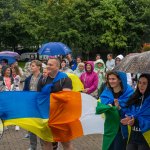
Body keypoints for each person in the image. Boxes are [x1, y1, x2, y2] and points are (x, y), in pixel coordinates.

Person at [37, 57, 74, 150]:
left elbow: (66, 97)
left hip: (61, 115)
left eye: (50, 65)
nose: (48, 66)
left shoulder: (65, 79)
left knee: (66, 142)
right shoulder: (43, 79)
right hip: (46, 115)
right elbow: (38, 97)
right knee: (47, 141)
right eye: (47, 64)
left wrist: (50, 98)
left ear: (57, 66)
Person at [100, 71, 134, 150]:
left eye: (113, 79)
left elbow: (132, 111)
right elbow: (101, 105)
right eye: (109, 79)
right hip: (110, 127)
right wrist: (106, 107)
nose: (110, 81)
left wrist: (119, 108)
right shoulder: (107, 91)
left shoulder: (129, 92)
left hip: (121, 129)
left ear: (120, 80)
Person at [121, 74, 150, 150]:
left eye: (144, 83)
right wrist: (129, 118)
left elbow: (148, 118)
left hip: (146, 138)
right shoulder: (135, 97)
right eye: (139, 82)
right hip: (133, 136)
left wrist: (135, 121)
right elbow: (129, 112)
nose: (141, 85)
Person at [23, 60, 43, 150]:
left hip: (40, 105)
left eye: (33, 66)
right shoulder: (28, 79)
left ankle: (44, 144)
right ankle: (32, 146)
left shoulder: (44, 78)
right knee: (31, 126)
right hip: (31, 105)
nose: (31, 67)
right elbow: (25, 92)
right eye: (31, 66)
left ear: (39, 67)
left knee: (41, 126)